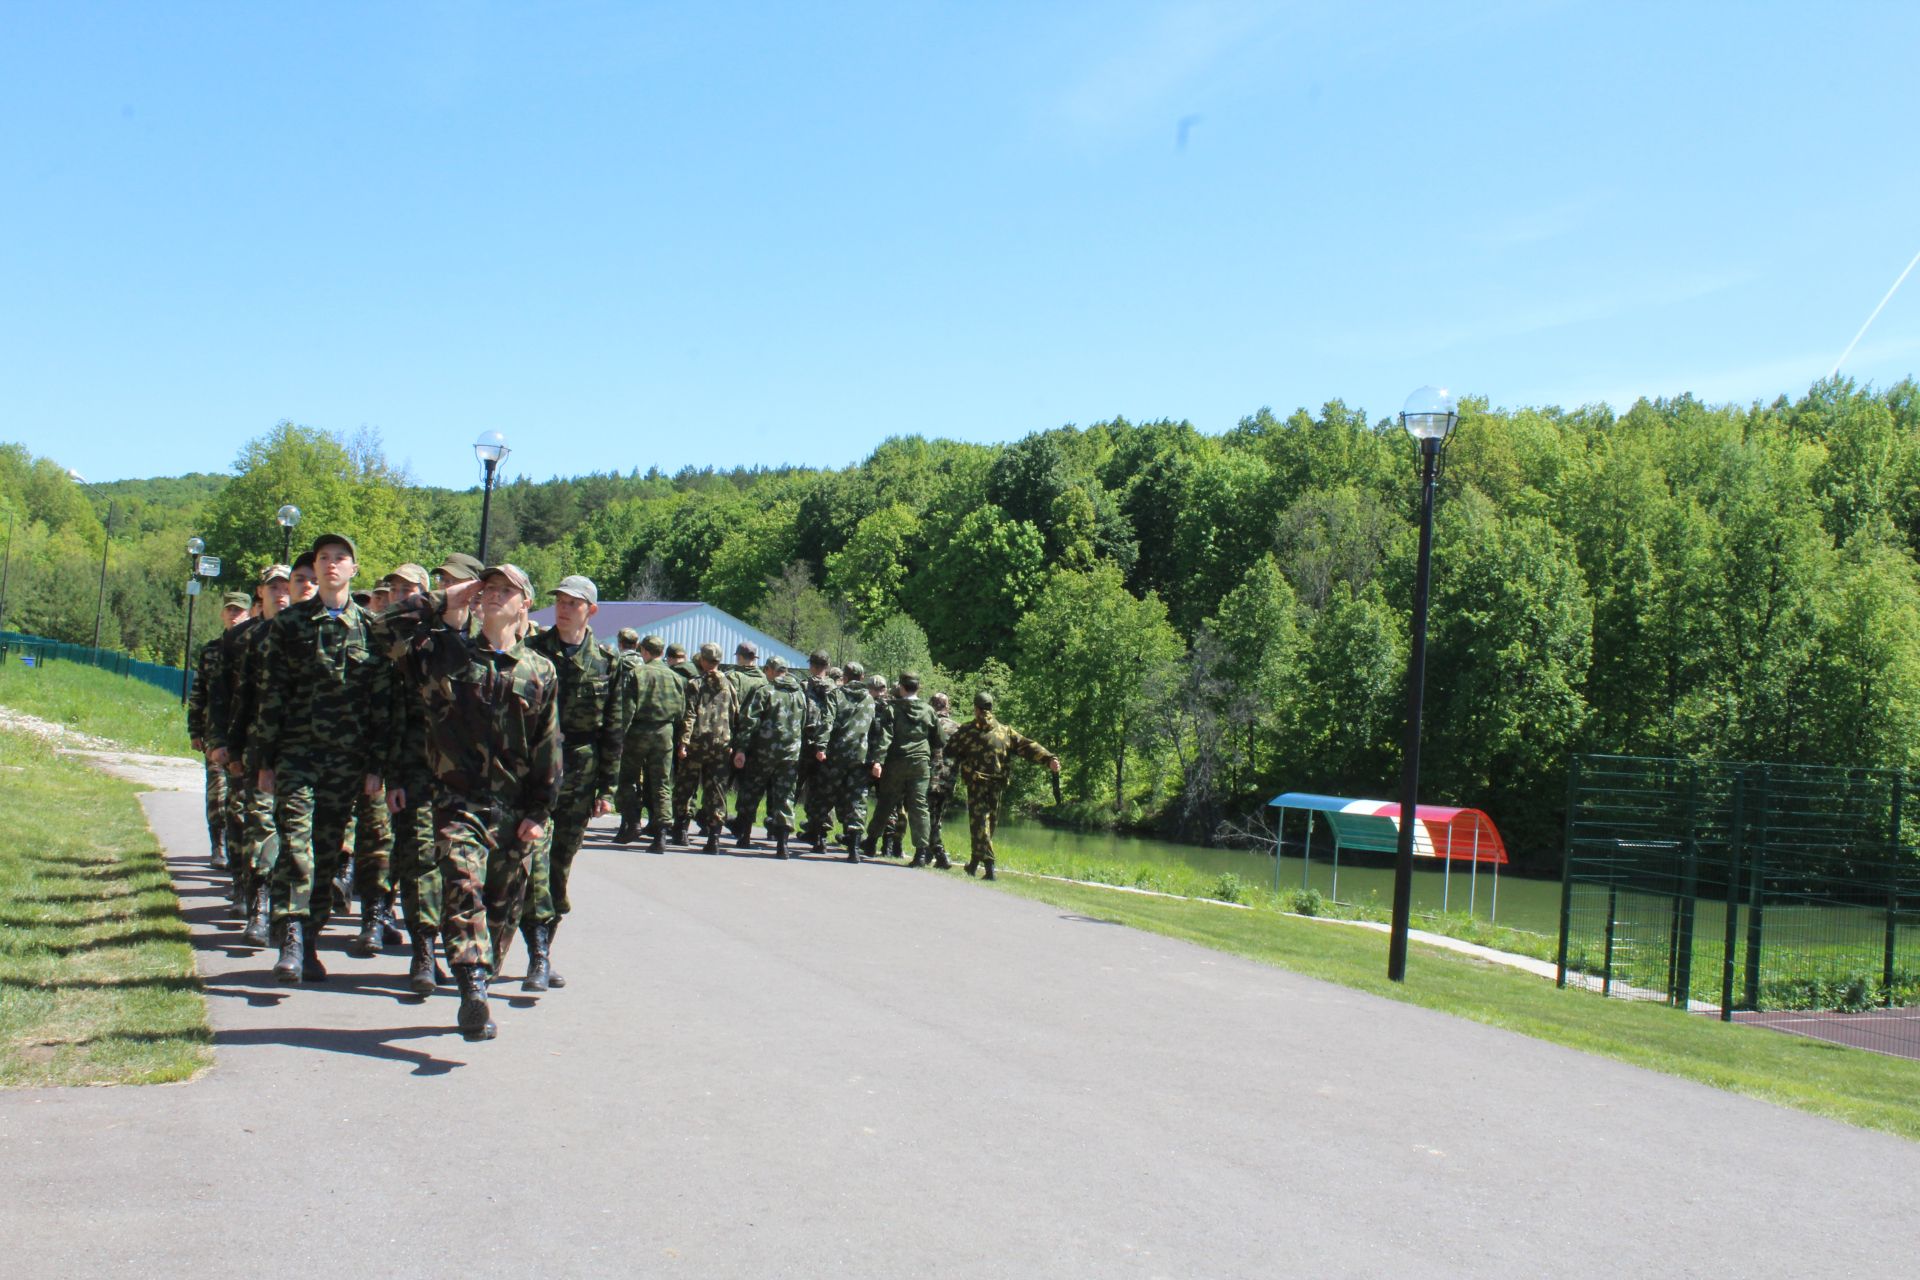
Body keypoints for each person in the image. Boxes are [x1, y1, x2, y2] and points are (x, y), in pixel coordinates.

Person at [372, 563, 560, 1041]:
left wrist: (540, 812)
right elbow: (381, 631)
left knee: (501, 909)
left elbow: (548, 747)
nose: (494, 596)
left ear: (523, 605)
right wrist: (443, 600)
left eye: (506, 590)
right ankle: (472, 989)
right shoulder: (445, 654)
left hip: (514, 811)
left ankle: (483, 977)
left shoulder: (539, 670)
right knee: (462, 887)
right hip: (458, 803)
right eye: (488, 589)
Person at [249, 534, 392, 984]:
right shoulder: (289, 626)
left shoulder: (371, 630)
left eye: (340, 559)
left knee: (327, 854)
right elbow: (270, 694)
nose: (331, 566)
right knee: (295, 845)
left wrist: (376, 764)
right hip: (297, 755)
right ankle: (289, 938)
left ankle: (309, 940)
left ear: (354, 569)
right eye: (323, 559)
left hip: (346, 763)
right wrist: (263, 760)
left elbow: (381, 704)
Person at [523, 575, 629, 991]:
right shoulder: (532, 651)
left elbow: (614, 730)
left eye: (574, 603)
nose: (564, 609)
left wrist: (607, 788)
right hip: (534, 768)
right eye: (561, 601)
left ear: (591, 611)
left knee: (558, 866)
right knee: (531, 862)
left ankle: (542, 951)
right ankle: (534, 953)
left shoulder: (607, 661)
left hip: (580, 773)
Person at [376, 562, 445, 995]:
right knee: (417, 857)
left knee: (452, 865)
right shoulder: (400, 640)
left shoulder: (454, 636)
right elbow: (392, 717)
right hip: (414, 766)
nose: (401, 594)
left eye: (411, 589)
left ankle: (461, 950)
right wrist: (392, 775)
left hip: (462, 773)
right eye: (395, 587)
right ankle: (424, 950)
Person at [943, 691, 1060, 879]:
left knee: (980, 823)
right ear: (991, 708)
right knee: (987, 824)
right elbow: (1028, 746)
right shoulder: (1005, 731)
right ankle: (973, 864)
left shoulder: (966, 731)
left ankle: (989, 867)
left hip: (976, 784)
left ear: (975, 708)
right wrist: (1049, 758)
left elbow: (949, 750)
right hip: (997, 786)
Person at [187, 592, 251, 870]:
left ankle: (237, 851)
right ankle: (218, 844)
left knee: (238, 795)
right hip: (216, 730)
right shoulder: (211, 650)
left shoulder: (253, 645)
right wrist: (195, 730)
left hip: (244, 733)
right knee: (216, 789)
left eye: (239, 610)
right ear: (223, 614)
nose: (234, 615)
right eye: (230, 610)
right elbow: (199, 692)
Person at [730, 654, 816, 858]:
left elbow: (749, 722)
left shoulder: (765, 691)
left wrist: (741, 748)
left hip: (763, 753)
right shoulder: (800, 695)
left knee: (752, 791)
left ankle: (745, 836)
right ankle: (782, 845)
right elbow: (805, 723)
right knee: (785, 797)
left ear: (769, 670)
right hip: (790, 755)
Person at [864, 671, 944, 863]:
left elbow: (885, 737)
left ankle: (871, 841)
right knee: (919, 807)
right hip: (920, 764)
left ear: (901, 687)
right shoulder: (928, 710)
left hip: (896, 763)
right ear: (919, 687)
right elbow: (939, 739)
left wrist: (878, 761)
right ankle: (921, 853)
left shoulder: (892, 709)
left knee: (886, 803)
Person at [618, 633, 685, 852]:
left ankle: (632, 821)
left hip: (638, 730)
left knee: (627, 779)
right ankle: (661, 834)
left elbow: (627, 708)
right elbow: (681, 710)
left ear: (644, 651)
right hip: (664, 730)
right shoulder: (675, 677)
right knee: (662, 783)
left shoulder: (637, 673)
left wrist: (619, 735)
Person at [677, 642, 738, 854]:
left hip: (696, 744)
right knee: (716, 793)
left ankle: (682, 831)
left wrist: (683, 743)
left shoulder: (695, 684)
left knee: (687, 787)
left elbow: (689, 715)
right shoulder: (728, 685)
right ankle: (714, 839)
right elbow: (735, 715)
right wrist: (733, 743)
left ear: (702, 660)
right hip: (721, 745)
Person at [817, 662, 879, 860]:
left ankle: (820, 839)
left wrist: (821, 746)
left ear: (844, 676)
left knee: (826, 794)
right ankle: (853, 847)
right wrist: (876, 759)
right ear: (862, 677)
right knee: (857, 799)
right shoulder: (870, 699)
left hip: (836, 754)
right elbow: (876, 731)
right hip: (860, 757)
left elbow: (827, 721)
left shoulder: (836, 695)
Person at [797, 650, 836, 851]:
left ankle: (778, 829)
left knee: (793, 787)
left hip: (805, 744)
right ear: (827, 667)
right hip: (827, 747)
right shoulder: (837, 690)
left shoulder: (804, 687)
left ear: (812, 665)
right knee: (821, 791)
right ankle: (819, 835)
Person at [919, 691, 961, 870]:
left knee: (927, 815)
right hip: (948, 779)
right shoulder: (958, 728)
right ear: (947, 706)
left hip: (928, 777)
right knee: (937, 818)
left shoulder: (927, 724)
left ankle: (938, 851)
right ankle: (930, 853)